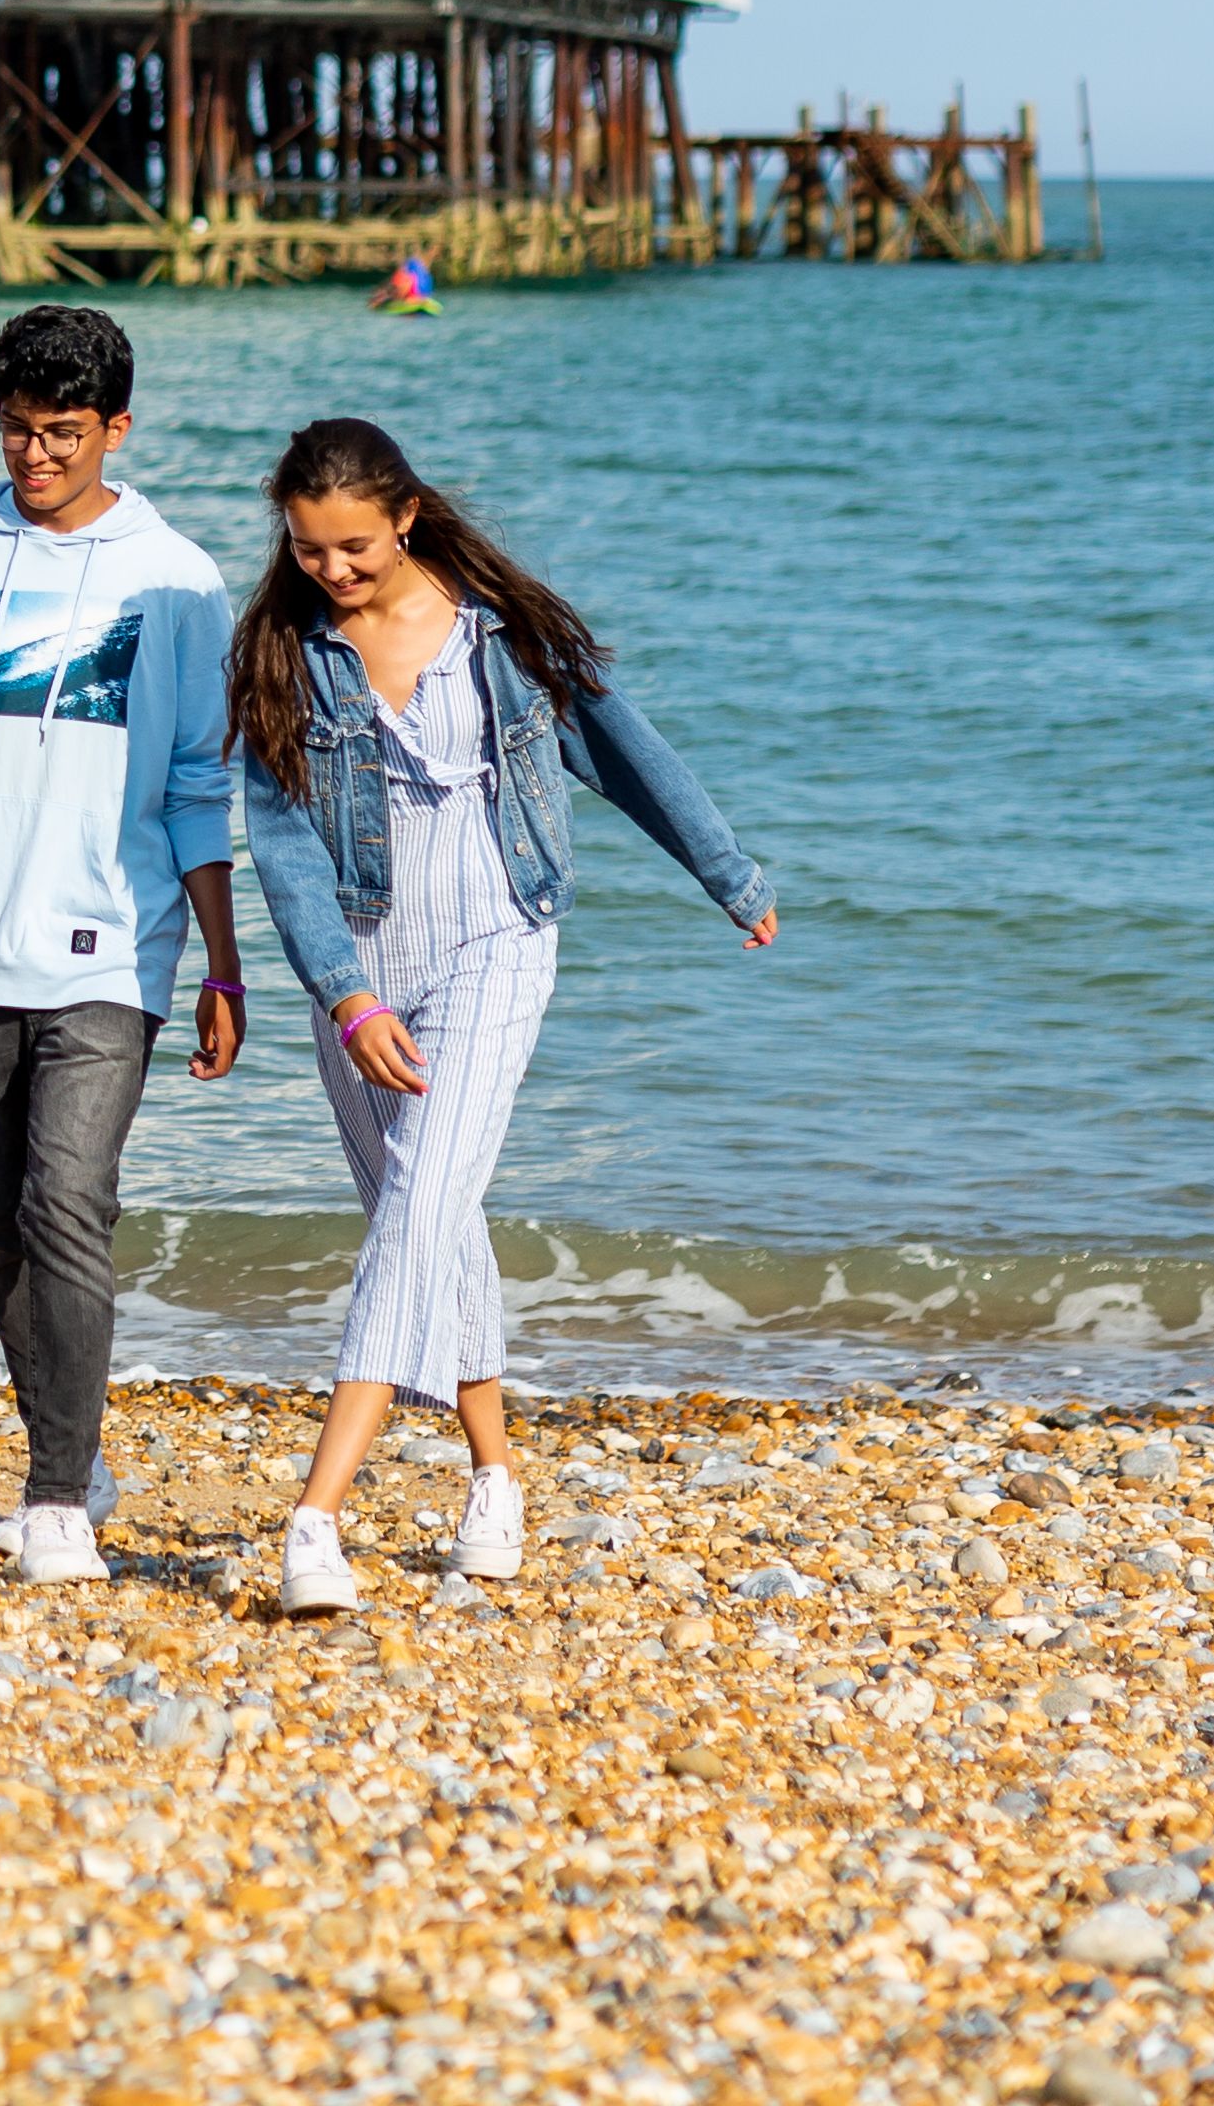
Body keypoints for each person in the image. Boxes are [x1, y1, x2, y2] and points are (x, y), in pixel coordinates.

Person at [229, 413, 773, 1612]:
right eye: (312, 550)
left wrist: (725, 873)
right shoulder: (281, 648)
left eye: (356, 548)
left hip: (498, 940)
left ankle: (315, 1516)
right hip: (363, 967)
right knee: (431, 1216)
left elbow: (625, 754)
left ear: (405, 514)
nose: (335, 572)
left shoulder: (501, 637)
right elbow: (281, 846)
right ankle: (495, 1480)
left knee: (420, 1207)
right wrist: (347, 991)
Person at [0, 303, 249, 1586]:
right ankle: (68, 1448)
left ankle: (58, 1495)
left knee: (68, 1203)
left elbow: (197, 779)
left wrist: (224, 961)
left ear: (116, 428)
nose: (34, 457)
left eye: (62, 435)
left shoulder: (176, 579)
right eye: (16, 432)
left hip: (114, 942)